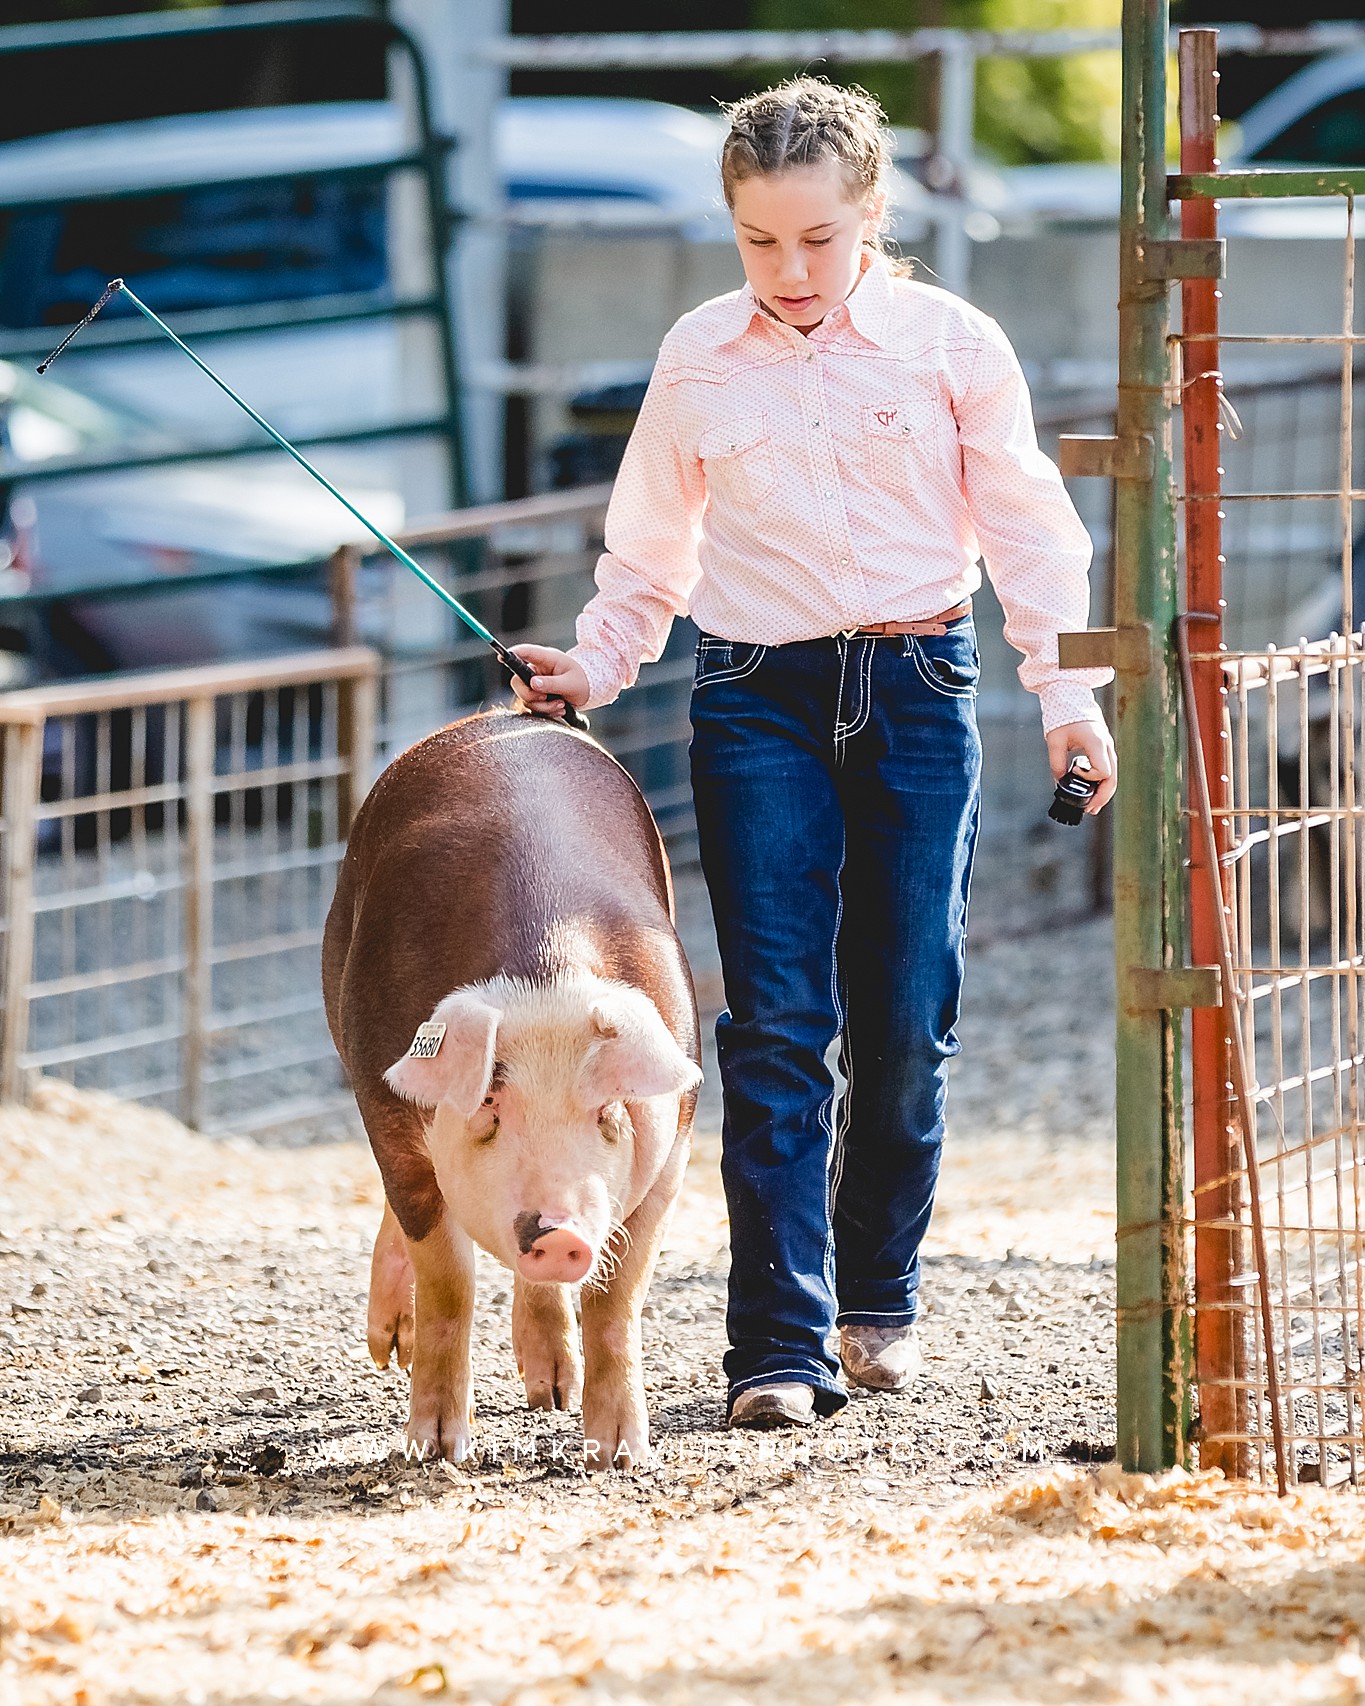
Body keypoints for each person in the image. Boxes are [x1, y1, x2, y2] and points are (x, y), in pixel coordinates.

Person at [511, 76, 1116, 1430]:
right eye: (758, 242)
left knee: (905, 1016)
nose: (787, 271)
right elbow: (647, 552)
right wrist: (593, 663)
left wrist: (1070, 702)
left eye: (816, 240)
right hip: (752, 697)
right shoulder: (698, 357)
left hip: (914, 683)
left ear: (872, 217)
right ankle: (776, 1345)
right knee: (775, 1022)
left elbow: (1031, 536)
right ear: (731, 229)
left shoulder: (951, 344)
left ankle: (875, 1297)